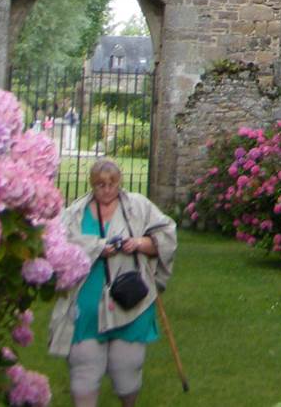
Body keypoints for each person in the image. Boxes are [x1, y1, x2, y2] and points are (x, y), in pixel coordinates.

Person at [48, 158, 176, 407]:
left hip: (130, 303)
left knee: (126, 369)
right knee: (84, 370)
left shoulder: (139, 207)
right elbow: (58, 248)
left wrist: (138, 243)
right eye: (100, 185)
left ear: (120, 182)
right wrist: (97, 248)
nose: (106, 190)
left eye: (111, 184)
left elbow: (166, 237)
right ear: (91, 185)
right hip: (85, 306)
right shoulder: (74, 214)